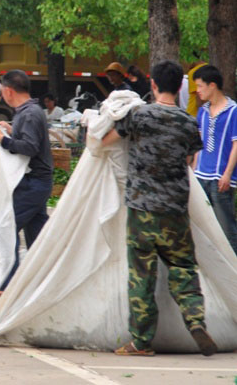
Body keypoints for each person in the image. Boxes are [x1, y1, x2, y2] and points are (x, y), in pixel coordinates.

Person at [102, 60, 216, 357]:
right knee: (183, 268)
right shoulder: (188, 121)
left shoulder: (139, 115)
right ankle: (195, 321)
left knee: (142, 275)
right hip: (176, 209)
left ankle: (141, 342)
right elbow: (191, 159)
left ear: (152, 84)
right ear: (180, 86)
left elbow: (108, 141)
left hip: (142, 209)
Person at [0, 69, 53, 293]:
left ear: (8, 91)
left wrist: (1, 141)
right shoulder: (30, 111)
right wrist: (11, 130)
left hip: (33, 183)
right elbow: (28, 138)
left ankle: (9, 283)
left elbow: (30, 147)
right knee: (36, 236)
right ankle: (38, 282)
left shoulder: (29, 113)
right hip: (38, 183)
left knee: (6, 227)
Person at [193, 65, 237, 254]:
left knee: (226, 228)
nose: (198, 91)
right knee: (202, 227)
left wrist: (227, 174)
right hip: (201, 174)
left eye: (201, 86)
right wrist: (194, 171)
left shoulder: (233, 110)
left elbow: (236, 144)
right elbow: (198, 144)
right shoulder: (202, 111)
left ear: (212, 85)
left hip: (220, 177)